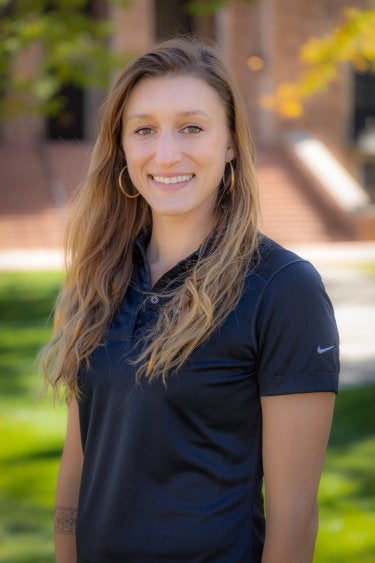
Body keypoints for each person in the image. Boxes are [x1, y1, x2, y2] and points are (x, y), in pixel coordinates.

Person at [41, 37, 339, 563]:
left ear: (229, 144)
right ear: (122, 147)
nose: (166, 153)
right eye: (144, 130)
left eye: (192, 127)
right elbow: (79, 463)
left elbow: (295, 519)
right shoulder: (101, 278)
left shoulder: (283, 287)